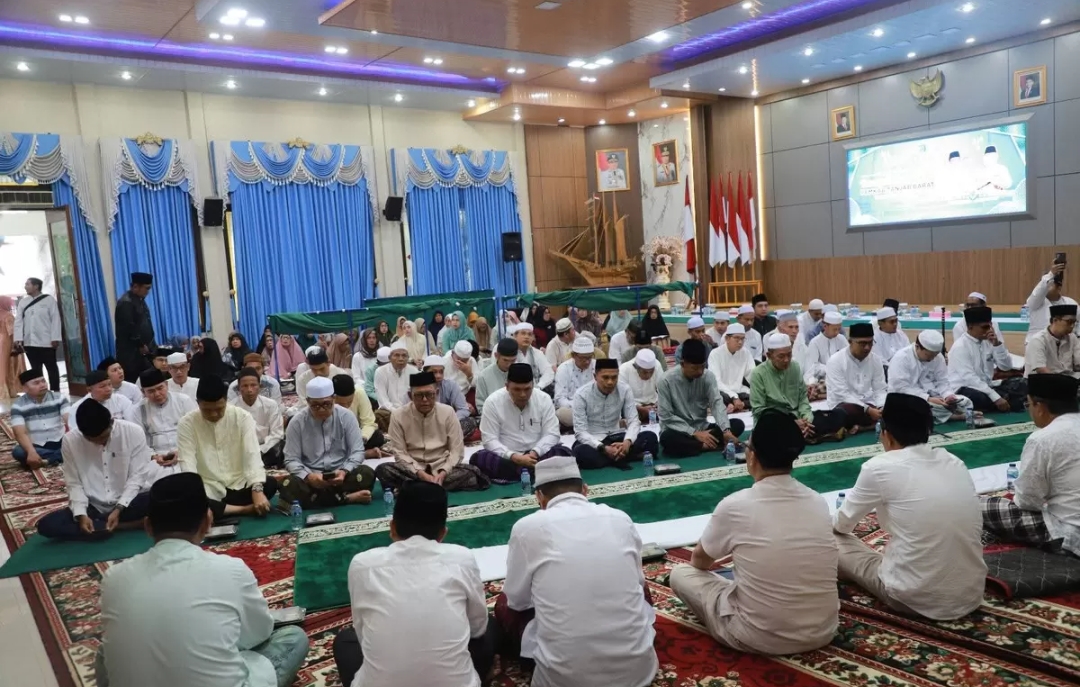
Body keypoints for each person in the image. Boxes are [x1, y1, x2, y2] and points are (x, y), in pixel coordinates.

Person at [97, 473, 309, 687]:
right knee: (293, 638)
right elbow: (259, 633)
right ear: (208, 521)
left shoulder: (113, 578)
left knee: (108, 650)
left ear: (148, 526)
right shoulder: (230, 570)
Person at [669, 411, 838, 654]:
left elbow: (700, 562)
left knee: (680, 573)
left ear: (752, 456)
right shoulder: (817, 501)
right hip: (824, 631)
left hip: (757, 636)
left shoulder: (735, 505)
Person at [497, 455, 657, 687]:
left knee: (503, 604)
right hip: (638, 673)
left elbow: (517, 602)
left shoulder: (527, 528)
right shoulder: (620, 518)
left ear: (539, 497)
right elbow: (638, 583)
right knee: (641, 589)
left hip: (564, 679)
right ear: (585, 489)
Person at [834, 393, 987, 620]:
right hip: (972, 593)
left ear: (886, 434)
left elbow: (842, 525)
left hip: (912, 597)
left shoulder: (878, 467)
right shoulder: (955, 462)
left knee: (830, 538)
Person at [332, 481, 494, 687]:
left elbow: (363, 633)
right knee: (489, 629)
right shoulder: (462, 558)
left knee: (346, 642)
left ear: (392, 527)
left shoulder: (362, 565)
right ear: (443, 533)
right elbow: (477, 628)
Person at [982, 374, 1080, 553]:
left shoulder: (1043, 439)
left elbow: (1028, 501)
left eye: (1028, 405)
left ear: (1040, 407)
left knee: (980, 505)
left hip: (1069, 533)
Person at [37, 400, 152, 540]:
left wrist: (119, 508)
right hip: (94, 507)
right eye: (92, 440)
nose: (99, 442)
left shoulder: (133, 431)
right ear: (82, 433)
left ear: (111, 422)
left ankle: (102, 527)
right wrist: (81, 515)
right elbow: (73, 482)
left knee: (167, 501)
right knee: (47, 525)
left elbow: (137, 476)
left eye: (103, 437)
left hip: (130, 503)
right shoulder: (71, 440)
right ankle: (126, 525)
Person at [177, 376, 277, 521]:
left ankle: (221, 511)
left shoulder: (242, 417)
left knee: (270, 484)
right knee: (186, 496)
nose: (214, 414)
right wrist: (195, 493)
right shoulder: (187, 423)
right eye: (207, 410)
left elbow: (252, 454)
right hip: (209, 487)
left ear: (226, 401)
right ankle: (244, 509)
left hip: (240, 484)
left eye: (219, 409)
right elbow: (187, 464)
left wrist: (256, 489)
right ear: (198, 403)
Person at [375, 372, 489, 493]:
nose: (425, 400)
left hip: (441, 466)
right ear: (410, 396)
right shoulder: (398, 415)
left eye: (429, 394)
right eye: (419, 395)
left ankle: (416, 487)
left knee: (474, 474)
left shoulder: (447, 412)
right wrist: (421, 474)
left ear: (437, 393)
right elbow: (400, 453)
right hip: (413, 468)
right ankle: (430, 486)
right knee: (383, 470)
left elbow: (457, 450)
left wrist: (443, 472)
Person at [278, 377, 374, 509]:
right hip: (311, 478)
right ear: (308, 402)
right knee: (289, 484)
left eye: (326, 404)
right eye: (315, 405)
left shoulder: (347, 417)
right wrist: (308, 477)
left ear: (334, 399)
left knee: (366, 473)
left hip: (341, 475)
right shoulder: (297, 422)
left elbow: (357, 451)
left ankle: (318, 501)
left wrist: (344, 471)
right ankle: (347, 498)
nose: (321, 409)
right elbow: (291, 459)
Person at [471, 363, 572, 482]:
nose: (523, 394)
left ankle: (521, 472)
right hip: (508, 458)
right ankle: (536, 471)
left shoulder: (543, 399)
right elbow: (489, 440)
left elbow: (552, 433)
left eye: (527, 389)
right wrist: (514, 457)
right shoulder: (492, 402)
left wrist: (535, 452)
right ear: (507, 386)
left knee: (564, 453)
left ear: (533, 385)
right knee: (479, 458)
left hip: (537, 454)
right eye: (517, 389)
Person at [657, 339, 745, 457]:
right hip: (680, 430)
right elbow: (666, 416)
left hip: (703, 427)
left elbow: (716, 403)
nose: (699, 372)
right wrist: (694, 433)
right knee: (667, 438)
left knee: (737, 424)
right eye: (694, 368)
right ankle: (706, 445)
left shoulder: (708, 376)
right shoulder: (666, 380)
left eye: (702, 367)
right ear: (683, 364)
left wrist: (725, 431)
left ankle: (698, 446)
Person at [571, 359, 658, 470]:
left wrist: (627, 442)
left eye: (614, 377)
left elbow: (633, 421)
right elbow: (580, 431)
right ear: (595, 376)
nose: (610, 382)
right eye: (605, 377)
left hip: (618, 437)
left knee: (650, 438)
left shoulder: (625, 389)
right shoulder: (581, 394)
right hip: (595, 440)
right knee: (580, 451)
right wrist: (603, 448)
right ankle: (624, 456)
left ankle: (613, 456)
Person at [949, 305, 1027, 412]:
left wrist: (997, 345)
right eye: (985, 327)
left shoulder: (989, 341)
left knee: (1023, 383)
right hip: (965, 388)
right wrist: (995, 397)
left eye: (990, 326)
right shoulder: (960, 346)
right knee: (979, 398)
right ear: (970, 327)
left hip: (988, 386)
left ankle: (1006, 401)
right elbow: (969, 378)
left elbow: (1006, 367)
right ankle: (1010, 402)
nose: (989, 330)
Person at [125, 368, 197, 483]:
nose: (157, 394)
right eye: (151, 391)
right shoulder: (136, 411)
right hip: (155, 458)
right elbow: (137, 442)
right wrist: (154, 456)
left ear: (166, 385)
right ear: (143, 392)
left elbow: (196, 431)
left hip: (185, 452)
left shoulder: (183, 401)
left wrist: (181, 452)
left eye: (160, 388)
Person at [887, 331, 974, 424]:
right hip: (908, 398)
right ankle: (953, 416)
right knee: (920, 406)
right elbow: (901, 388)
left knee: (966, 402)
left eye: (935, 355)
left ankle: (946, 414)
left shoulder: (937, 357)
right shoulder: (901, 358)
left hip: (934, 397)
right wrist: (928, 398)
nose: (932, 359)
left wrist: (948, 396)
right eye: (928, 355)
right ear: (917, 347)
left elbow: (942, 381)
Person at [826, 323, 887, 433]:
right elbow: (842, 394)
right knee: (843, 414)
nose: (867, 347)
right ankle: (873, 424)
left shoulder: (875, 360)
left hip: (870, 404)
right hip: (844, 404)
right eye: (862, 343)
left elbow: (880, 389)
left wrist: (881, 407)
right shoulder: (836, 361)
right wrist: (867, 409)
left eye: (870, 343)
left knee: (895, 408)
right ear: (850, 342)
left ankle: (863, 427)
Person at [10, 368, 68, 468]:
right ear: (25, 388)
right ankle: (61, 456)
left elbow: (70, 420)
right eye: (36, 383)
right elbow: (19, 433)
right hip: (36, 445)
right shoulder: (18, 406)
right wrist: (31, 452)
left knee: (81, 442)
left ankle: (49, 460)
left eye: (43, 381)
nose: (42, 385)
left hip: (61, 441)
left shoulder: (59, 398)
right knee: (18, 452)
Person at [230, 368, 286, 468]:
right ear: (239, 388)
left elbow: (277, 433)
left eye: (253, 385)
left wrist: (261, 450)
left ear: (259, 386)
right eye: (245, 386)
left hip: (266, 451)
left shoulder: (270, 405)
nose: (249, 390)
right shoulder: (231, 408)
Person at [13, 277, 61, 391]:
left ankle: (55, 392)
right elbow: (18, 321)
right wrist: (18, 338)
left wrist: (55, 338)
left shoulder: (49, 300)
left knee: (51, 368)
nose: (25, 287)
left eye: (28, 284)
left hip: (47, 342)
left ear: (36, 286)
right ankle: (40, 391)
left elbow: (55, 319)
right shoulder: (23, 302)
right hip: (29, 342)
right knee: (36, 370)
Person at [332, 374, 389, 460]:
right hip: (335, 438)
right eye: (341, 404)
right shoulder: (326, 400)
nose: (346, 407)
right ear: (333, 397)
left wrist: (362, 439)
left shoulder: (359, 393)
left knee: (377, 436)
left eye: (349, 402)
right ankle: (362, 454)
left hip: (356, 436)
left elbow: (368, 423)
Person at [113, 271, 156, 382]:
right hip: (131, 354)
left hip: (142, 351)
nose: (148, 292)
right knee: (134, 382)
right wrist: (140, 345)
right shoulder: (126, 303)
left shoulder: (139, 300)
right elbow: (129, 328)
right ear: (136, 286)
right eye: (146, 288)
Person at [422, 354, 479, 437]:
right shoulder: (417, 389)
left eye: (441, 372)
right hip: (424, 425)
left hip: (447, 425)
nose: (438, 376)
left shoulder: (451, 385)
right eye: (434, 372)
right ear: (425, 373)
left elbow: (464, 409)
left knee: (469, 422)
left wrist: (450, 420)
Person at [1025, 262, 1076, 343]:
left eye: (1050, 285)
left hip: (1062, 345)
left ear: (1059, 287)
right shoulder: (1035, 302)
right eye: (1045, 284)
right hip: (1036, 344)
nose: (1045, 287)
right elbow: (1039, 291)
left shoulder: (1071, 303)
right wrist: (1051, 274)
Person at [707, 323, 754, 411]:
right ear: (727, 339)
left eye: (742, 339)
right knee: (716, 396)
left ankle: (738, 405)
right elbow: (716, 381)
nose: (740, 342)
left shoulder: (746, 353)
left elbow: (752, 375)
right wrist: (734, 397)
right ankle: (734, 405)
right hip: (723, 392)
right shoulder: (715, 354)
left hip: (739, 391)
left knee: (758, 397)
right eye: (737, 338)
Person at [1025, 304, 1080, 377]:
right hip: (1042, 381)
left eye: (1074, 322)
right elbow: (1041, 370)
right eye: (1069, 322)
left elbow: (1078, 363)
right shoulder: (1038, 340)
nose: (1072, 326)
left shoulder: (1072, 338)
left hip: (1067, 379)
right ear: (1055, 320)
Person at [554, 337, 596, 428]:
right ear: (573, 355)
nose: (587, 362)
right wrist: (580, 407)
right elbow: (559, 399)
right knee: (562, 413)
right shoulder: (564, 368)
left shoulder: (596, 366)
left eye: (589, 357)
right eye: (583, 358)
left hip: (594, 408)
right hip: (572, 409)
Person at [375, 342, 419, 417]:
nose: (401, 359)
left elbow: (416, 396)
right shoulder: (381, 371)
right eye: (397, 355)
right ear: (389, 358)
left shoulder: (414, 371)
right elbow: (383, 400)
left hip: (410, 412)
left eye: (404, 355)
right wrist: (397, 412)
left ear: (408, 358)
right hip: (389, 412)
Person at [476, 338, 517, 415]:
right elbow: (481, 406)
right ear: (496, 356)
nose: (509, 365)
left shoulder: (521, 373)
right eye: (505, 360)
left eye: (513, 361)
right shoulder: (484, 376)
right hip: (493, 418)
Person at [513, 322, 555, 393]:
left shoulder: (537, 353)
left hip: (536, 390)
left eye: (530, 334)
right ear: (515, 336)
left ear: (533, 338)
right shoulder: (509, 353)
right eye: (523, 333)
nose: (526, 337)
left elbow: (548, 372)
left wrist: (539, 386)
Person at [0, 295, 25, 400]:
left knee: (2, 367)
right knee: (10, 366)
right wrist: (17, 343)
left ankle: (3, 391)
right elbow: (12, 332)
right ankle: (10, 391)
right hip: (7, 342)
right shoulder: (8, 315)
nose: (10, 305)